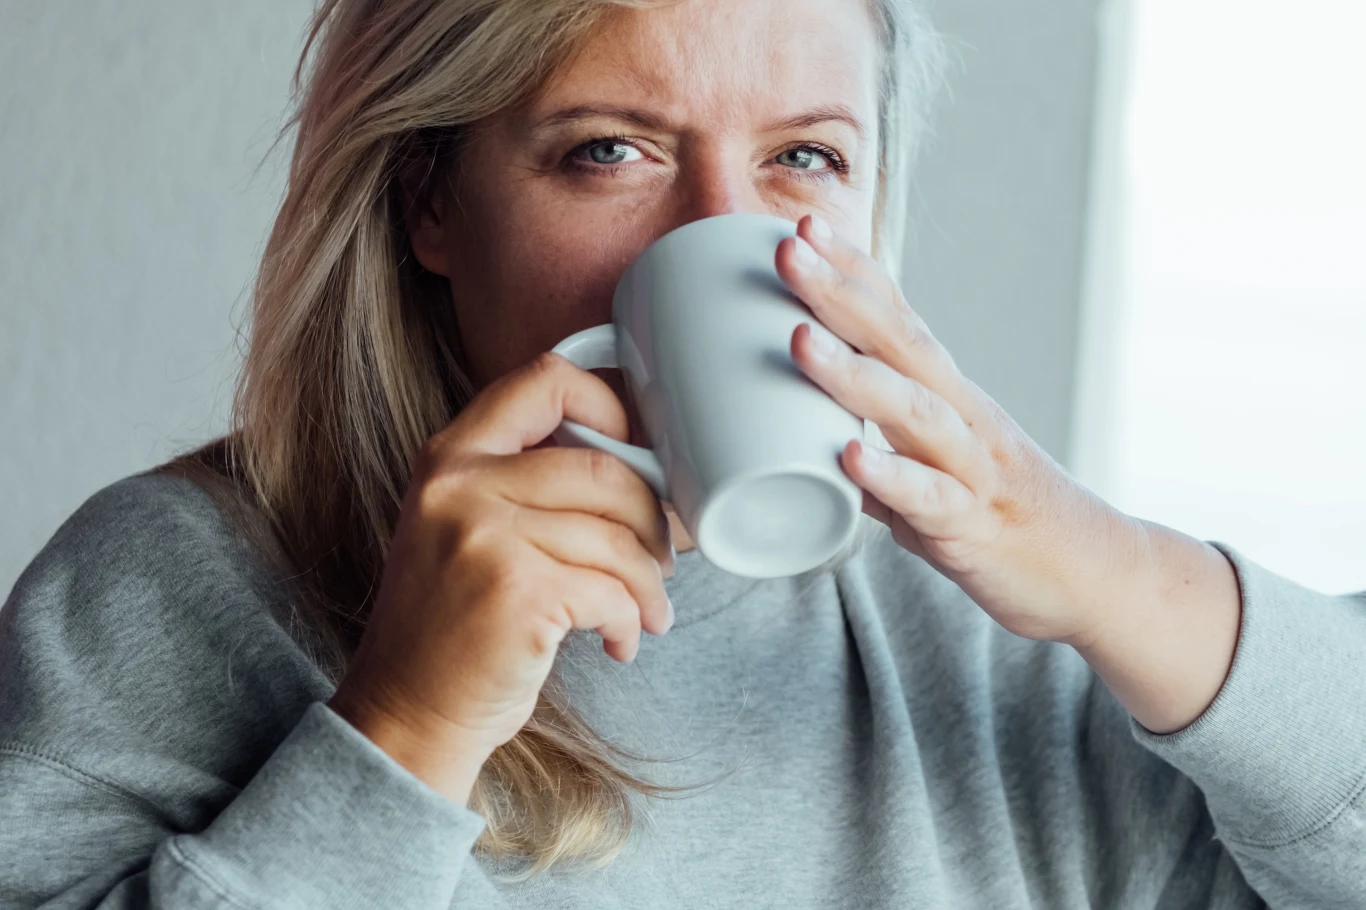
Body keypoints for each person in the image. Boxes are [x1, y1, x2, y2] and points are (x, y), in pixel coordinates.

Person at [2, 0, 1363, 906]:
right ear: (429, 203)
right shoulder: (175, 591)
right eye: (608, 151)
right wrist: (406, 730)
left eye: (806, 160)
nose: (722, 234)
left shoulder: (1010, 628)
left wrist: (1106, 562)